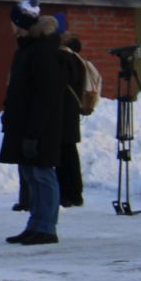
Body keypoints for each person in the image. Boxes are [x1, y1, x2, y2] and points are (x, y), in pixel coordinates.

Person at [0, 0, 69, 246]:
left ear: (20, 23)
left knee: (42, 175)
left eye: (13, 21)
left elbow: (44, 97)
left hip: (39, 128)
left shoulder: (43, 52)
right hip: (26, 126)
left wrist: (33, 133)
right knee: (30, 175)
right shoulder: (28, 49)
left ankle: (47, 227)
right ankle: (35, 225)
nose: (10, 26)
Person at [57, 35, 91, 208]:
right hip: (70, 113)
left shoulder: (64, 59)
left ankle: (68, 194)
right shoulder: (77, 61)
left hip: (63, 112)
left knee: (64, 155)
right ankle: (75, 193)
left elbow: (60, 83)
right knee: (69, 152)